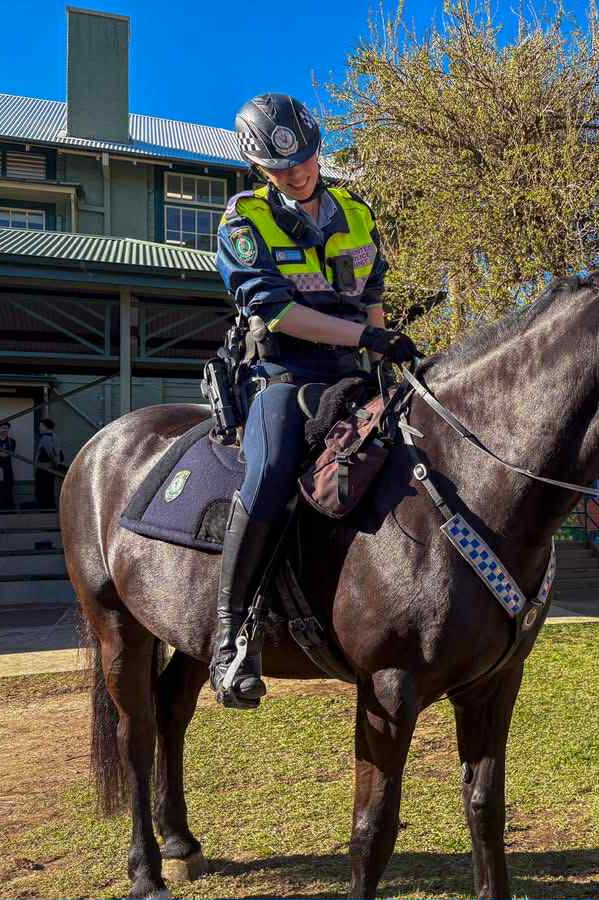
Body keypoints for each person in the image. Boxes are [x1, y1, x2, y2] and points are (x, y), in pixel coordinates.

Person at [212, 93, 421, 710]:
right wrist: (367, 336)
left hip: (354, 370)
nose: (295, 173)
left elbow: (372, 291)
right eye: (279, 169)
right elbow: (274, 309)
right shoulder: (241, 221)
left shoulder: (357, 210)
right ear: (258, 169)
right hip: (283, 374)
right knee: (273, 469)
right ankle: (231, 634)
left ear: (316, 149)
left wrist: (385, 358)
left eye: (302, 159)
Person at [33, 417, 63, 511]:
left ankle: (45, 508)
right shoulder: (55, 436)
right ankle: (49, 506)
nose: (39, 428)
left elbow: (50, 453)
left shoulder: (46, 437)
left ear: (45, 427)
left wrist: (54, 464)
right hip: (50, 467)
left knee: (42, 489)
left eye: (41, 426)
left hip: (45, 467)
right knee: (49, 487)